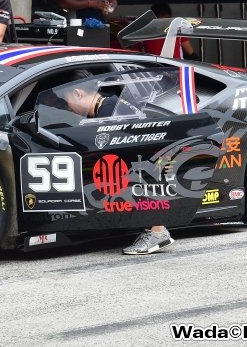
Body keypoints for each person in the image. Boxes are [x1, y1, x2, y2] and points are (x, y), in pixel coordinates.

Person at [63, 70, 174, 256]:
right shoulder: (109, 106)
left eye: (66, 99)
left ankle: (157, 231)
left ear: (77, 94)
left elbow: (133, 156)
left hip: (149, 167)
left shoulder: (110, 114)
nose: (67, 106)